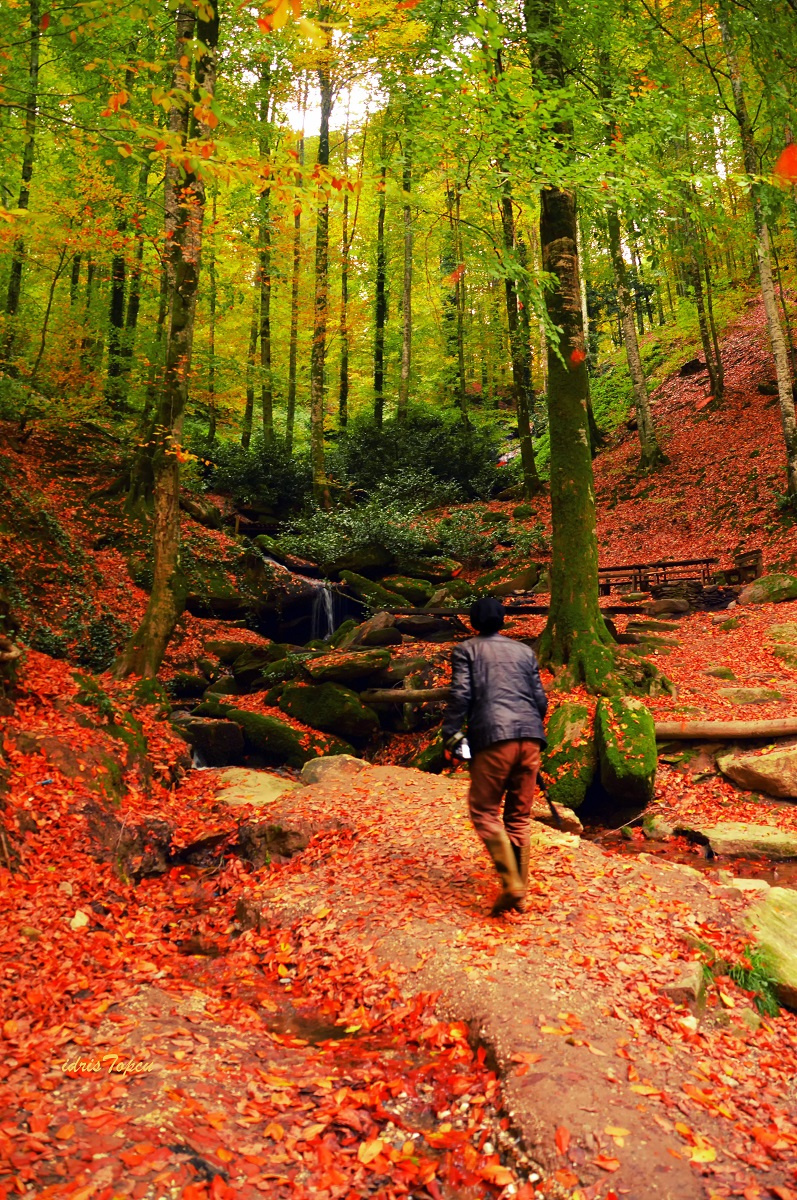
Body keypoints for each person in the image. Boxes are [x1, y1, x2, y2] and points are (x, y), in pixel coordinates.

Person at [442, 596, 548, 916]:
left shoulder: (466, 650)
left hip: (493, 738)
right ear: (503, 620)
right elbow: (540, 700)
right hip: (530, 739)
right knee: (518, 816)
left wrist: (451, 732)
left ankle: (512, 885)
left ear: (474, 622)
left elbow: (461, 694)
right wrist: (531, 728)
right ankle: (521, 891)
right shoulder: (524, 651)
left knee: (485, 812)